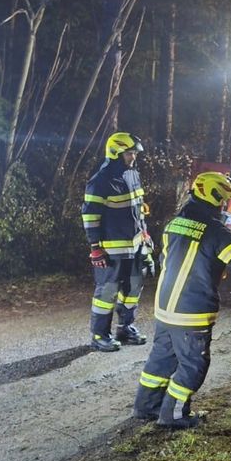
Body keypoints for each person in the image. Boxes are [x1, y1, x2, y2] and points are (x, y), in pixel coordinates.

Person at [132, 171, 231, 429]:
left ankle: (146, 407)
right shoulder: (216, 232)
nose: (225, 206)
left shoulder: (174, 223)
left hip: (165, 307)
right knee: (193, 365)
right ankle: (173, 416)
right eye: (224, 200)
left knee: (161, 359)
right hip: (191, 313)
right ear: (215, 197)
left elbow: (167, 259)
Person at [81, 132, 153, 351]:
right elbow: (90, 216)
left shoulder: (133, 175)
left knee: (133, 289)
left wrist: (145, 235)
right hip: (112, 249)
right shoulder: (100, 181)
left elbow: (139, 210)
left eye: (134, 153)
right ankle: (100, 335)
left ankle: (125, 328)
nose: (133, 157)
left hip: (136, 246)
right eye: (129, 153)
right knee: (107, 293)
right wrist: (95, 248)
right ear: (115, 152)